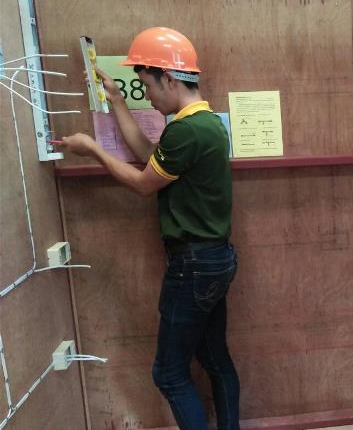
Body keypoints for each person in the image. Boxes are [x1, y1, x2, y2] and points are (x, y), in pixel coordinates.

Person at [61, 27, 240, 430]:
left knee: (169, 373)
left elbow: (143, 184)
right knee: (215, 360)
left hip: (194, 266)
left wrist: (93, 149)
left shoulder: (186, 130)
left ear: (170, 79)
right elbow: (149, 156)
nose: (148, 96)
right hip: (215, 259)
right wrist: (117, 102)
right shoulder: (205, 124)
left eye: (147, 86)